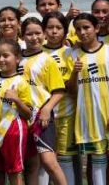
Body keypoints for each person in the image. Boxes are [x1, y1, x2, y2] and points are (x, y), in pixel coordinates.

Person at [67, 14, 109, 185]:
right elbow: (72, 90)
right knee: (97, 162)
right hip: (89, 118)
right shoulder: (73, 54)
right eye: (78, 29)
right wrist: (74, 73)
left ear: (96, 28)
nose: (82, 32)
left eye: (86, 27)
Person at [19, 18, 68, 185]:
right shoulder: (16, 57)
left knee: (49, 161)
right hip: (20, 116)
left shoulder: (47, 60)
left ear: (44, 34)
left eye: (38, 33)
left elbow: (59, 91)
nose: (34, 37)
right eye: (29, 34)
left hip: (41, 115)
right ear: (22, 35)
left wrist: (47, 109)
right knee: (31, 164)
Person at [0, 40, 32, 185]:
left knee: (14, 171)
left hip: (12, 130)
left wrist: (17, 100)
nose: (1, 60)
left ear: (17, 58)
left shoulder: (21, 82)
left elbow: (28, 114)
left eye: (5, 56)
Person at [42, 13, 80, 185]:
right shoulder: (37, 53)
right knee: (43, 160)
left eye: (59, 28)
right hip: (42, 117)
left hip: (66, 114)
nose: (54, 32)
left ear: (65, 31)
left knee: (65, 159)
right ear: (43, 30)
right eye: (50, 28)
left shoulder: (71, 53)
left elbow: (75, 87)